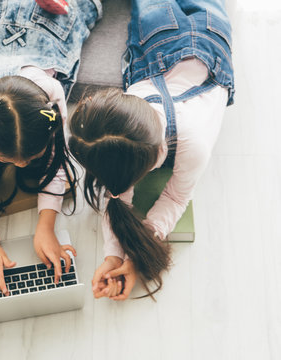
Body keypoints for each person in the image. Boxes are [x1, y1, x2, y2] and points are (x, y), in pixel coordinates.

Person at [68, 0, 235, 299]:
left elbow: (174, 196)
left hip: (158, 46)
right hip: (206, 37)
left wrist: (128, 251)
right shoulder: (130, 129)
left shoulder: (191, 143)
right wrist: (117, 257)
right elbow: (130, 197)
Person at [0, 0, 102, 297]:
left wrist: (46, 226)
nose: (21, 167)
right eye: (11, 160)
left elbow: (57, 162)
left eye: (29, 159)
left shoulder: (50, 94)